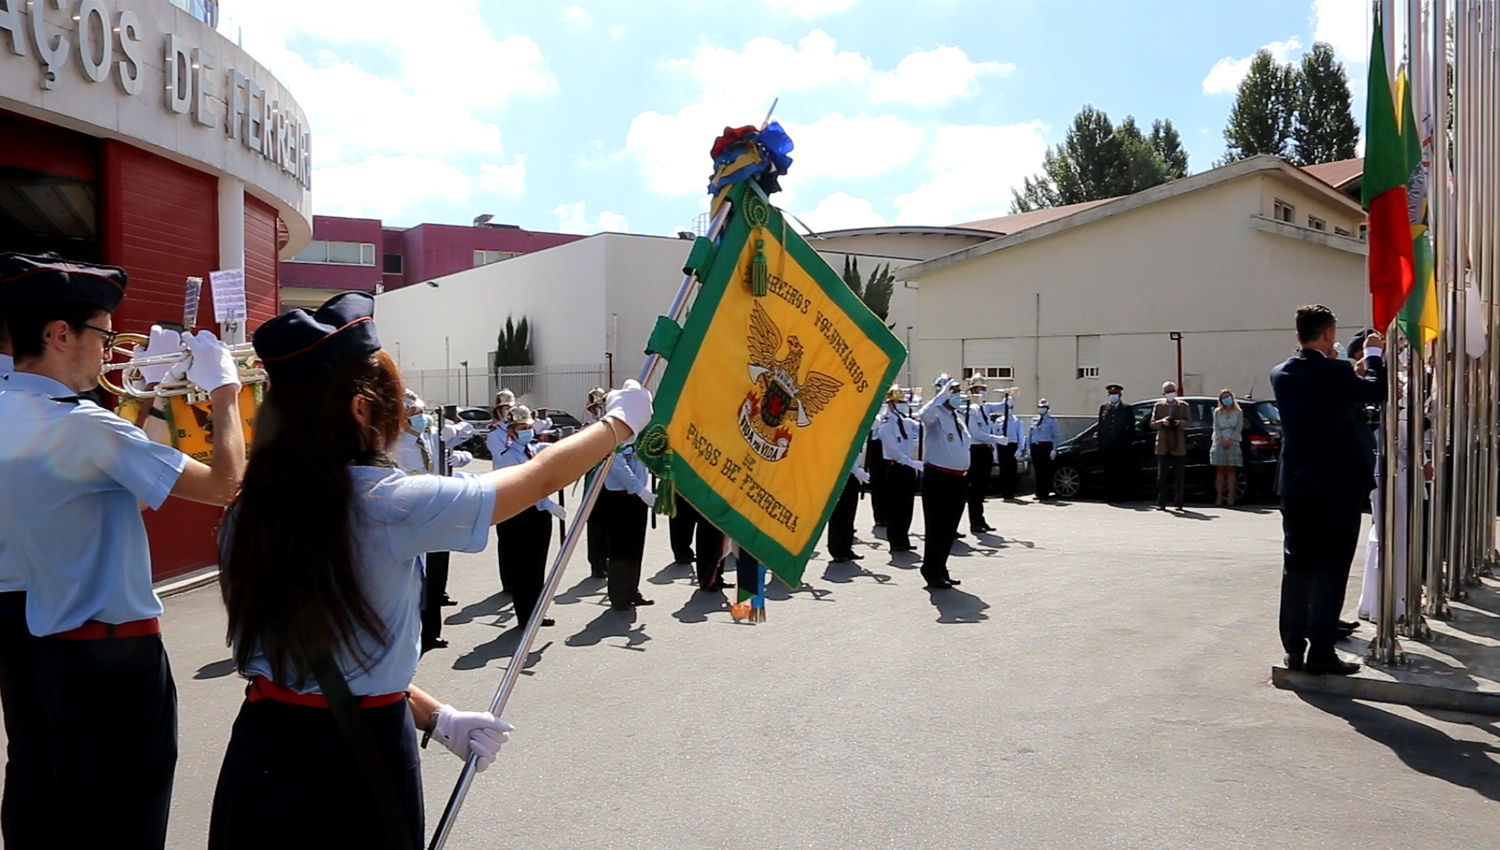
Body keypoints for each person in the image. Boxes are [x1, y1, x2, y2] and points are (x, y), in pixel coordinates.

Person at [209, 290, 655, 848]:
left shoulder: (249, 505)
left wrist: (437, 717)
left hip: (263, 750)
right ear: (359, 409)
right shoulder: (386, 500)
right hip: (359, 761)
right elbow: (538, 478)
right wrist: (617, 425)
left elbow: (330, 662)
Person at [0, 252, 247, 849]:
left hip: (30, 644)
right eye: (103, 335)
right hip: (111, 657)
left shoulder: (23, 412)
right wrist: (224, 390)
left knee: (41, 805)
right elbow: (226, 484)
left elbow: (116, 492)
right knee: (123, 819)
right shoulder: (84, 426)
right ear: (61, 334)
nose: (111, 352)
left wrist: (154, 401)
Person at [1270, 304, 1385, 676]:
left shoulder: (1281, 374)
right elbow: (1376, 391)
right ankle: (1321, 651)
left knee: (1298, 567)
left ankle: (1293, 649)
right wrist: (1373, 353)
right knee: (1332, 569)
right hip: (1337, 486)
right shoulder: (1335, 371)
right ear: (1329, 334)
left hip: (1297, 486)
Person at [491, 405, 566, 629]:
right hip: (521, 514)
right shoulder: (509, 457)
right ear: (511, 432)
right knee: (524, 566)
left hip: (538, 515)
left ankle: (537, 611)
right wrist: (548, 504)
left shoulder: (532, 450)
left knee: (538, 564)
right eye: (522, 428)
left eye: (529, 427)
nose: (527, 431)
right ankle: (525, 615)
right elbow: (526, 487)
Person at [918, 376, 970, 589]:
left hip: (958, 479)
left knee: (950, 528)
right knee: (937, 527)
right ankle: (930, 570)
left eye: (957, 391)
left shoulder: (957, 417)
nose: (957, 395)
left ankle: (941, 566)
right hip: (939, 478)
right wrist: (940, 396)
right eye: (953, 391)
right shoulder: (936, 414)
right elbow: (923, 415)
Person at [601, 441, 657, 610]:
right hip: (619, 500)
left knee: (635, 548)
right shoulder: (614, 444)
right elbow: (621, 471)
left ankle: (632, 591)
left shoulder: (640, 443)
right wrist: (641, 490)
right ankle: (618, 596)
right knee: (619, 550)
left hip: (637, 501)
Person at [876, 385, 922, 555]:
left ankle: (904, 538)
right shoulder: (886, 425)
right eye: (898, 402)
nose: (902, 404)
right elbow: (894, 451)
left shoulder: (906, 422)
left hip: (908, 468)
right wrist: (911, 463)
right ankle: (895, 541)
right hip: (896, 468)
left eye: (903, 402)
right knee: (896, 506)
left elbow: (921, 425)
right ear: (890, 404)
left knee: (907, 506)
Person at [961, 376, 1002, 534]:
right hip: (975, 450)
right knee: (975, 488)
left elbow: (1003, 405)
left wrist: (1009, 397)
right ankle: (975, 522)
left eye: (984, 389)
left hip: (986, 450)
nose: (982, 392)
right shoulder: (970, 409)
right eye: (979, 389)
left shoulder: (984, 408)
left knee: (981, 489)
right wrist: (996, 439)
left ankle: (980, 519)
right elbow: (976, 433)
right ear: (972, 391)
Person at [581, 388, 613, 578]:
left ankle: (608, 559)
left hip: (611, 479)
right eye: (597, 407)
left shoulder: (611, 426)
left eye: (603, 406)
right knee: (595, 524)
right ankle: (597, 563)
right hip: (594, 477)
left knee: (610, 523)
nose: (600, 410)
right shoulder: (587, 428)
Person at [825, 445, 871, 562]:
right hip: (840, 475)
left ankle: (846, 548)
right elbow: (839, 456)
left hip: (852, 476)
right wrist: (855, 470)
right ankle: (836, 550)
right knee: (839, 514)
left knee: (849, 514)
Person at [1152, 381, 1189, 510]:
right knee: (1162, 475)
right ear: (1163, 394)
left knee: (1179, 475)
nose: (1170, 394)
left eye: (1172, 391)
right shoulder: (1158, 406)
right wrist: (1162, 422)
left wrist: (1179, 423)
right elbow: (1152, 424)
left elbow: (1190, 422)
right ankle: (1161, 502)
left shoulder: (1183, 406)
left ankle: (1179, 502)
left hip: (1178, 443)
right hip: (1163, 443)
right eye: (1167, 392)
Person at [1098, 382, 1135, 502]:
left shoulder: (1126, 409)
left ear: (1120, 395)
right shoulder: (1104, 408)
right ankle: (1109, 495)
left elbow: (1131, 427)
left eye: (1115, 394)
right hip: (1107, 446)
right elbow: (1101, 427)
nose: (1113, 396)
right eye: (1111, 394)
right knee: (1108, 471)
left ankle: (1120, 495)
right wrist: (1100, 443)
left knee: (1120, 472)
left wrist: (1129, 443)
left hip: (1121, 446)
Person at [1211, 389, 1244, 507]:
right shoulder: (1217, 412)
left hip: (1233, 441)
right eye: (1224, 398)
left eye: (1228, 397)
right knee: (1220, 470)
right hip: (1219, 441)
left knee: (1231, 470)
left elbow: (1239, 427)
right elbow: (1216, 427)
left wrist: (1231, 440)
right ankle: (1219, 496)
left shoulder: (1238, 412)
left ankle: (1231, 496)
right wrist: (1221, 440)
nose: (1227, 400)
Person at [992, 389, 1025, 500]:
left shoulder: (1017, 421)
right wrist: (995, 451)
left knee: (1012, 471)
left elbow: (1021, 436)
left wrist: (1020, 449)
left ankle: (1011, 492)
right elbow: (995, 435)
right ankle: (1004, 493)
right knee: (1003, 470)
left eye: (1010, 408)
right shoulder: (999, 421)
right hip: (1002, 447)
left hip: (1012, 446)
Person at [1028, 398, 1061, 500]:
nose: (1041, 409)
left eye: (1043, 407)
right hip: (1035, 446)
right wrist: (1029, 447)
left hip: (1046, 446)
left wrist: (1054, 449)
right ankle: (1039, 492)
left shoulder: (1052, 421)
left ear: (1047, 409)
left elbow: (1056, 435)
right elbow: (1030, 434)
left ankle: (1045, 492)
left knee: (1045, 471)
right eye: (1040, 407)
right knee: (1038, 471)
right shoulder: (1034, 420)